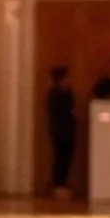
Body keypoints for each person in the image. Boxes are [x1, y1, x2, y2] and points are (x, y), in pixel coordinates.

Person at [46, 66, 77, 197]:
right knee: (60, 157)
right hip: (59, 130)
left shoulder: (67, 92)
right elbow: (59, 112)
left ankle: (62, 183)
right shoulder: (54, 94)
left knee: (66, 158)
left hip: (68, 129)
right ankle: (58, 184)